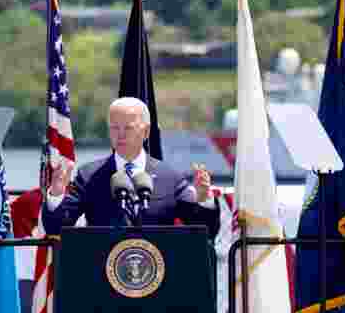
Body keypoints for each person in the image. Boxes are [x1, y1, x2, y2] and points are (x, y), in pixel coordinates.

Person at [42, 97, 220, 237]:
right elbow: (56, 228)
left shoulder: (169, 177)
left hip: (157, 274)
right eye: (114, 128)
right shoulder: (89, 175)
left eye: (128, 128)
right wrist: (57, 193)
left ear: (146, 131)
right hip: (103, 274)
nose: (120, 135)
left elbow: (207, 230)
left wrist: (204, 199)